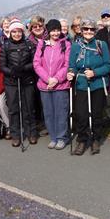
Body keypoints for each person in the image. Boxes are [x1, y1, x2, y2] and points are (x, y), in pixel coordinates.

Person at [67, 18, 110, 155]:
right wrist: (70, 73)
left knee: (97, 113)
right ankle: (82, 139)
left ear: (95, 31)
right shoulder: (76, 45)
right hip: (81, 83)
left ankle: (95, 139)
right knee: (81, 114)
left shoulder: (101, 44)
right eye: (85, 29)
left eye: (91, 29)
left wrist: (95, 72)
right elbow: (72, 65)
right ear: (81, 30)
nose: (88, 31)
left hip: (97, 84)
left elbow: (108, 65)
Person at [33, 19, 71, 150]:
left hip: (61, 85)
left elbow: (67, 65)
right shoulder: (42, 44)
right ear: (48, 31)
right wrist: (47, 79)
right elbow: (37, 64)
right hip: (45, 85)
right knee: (48, 113)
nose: (55, 33)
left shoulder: (66, 44)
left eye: (57, 30)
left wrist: (56, 79)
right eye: (53, 30)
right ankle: (53, 137)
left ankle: (62, 137)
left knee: (61, 112)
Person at [0, 18, 38, 147]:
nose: (17, 34)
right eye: (14, 32)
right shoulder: (5, 46)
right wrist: (12, 71)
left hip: (27, 81)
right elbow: (2, 65)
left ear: (22, 32)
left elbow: (34, 63)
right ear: (10, 32)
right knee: (13, 109)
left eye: (19, 31)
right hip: (11, 82)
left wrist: (24, 69)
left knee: (29, 108)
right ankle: (15, 135)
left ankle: (31, 133)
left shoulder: (29, 45)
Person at [27, 15, 47, 134]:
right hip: (33, 74)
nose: (38, 28)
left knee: (46, 99)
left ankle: (47, 122)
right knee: (36, 99)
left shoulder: (50, 38)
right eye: (35, 26)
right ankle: (39, 122)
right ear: (31, 28)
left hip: (48, 73)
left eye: (40, 25)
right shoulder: (28, 41)